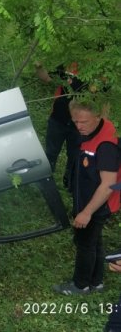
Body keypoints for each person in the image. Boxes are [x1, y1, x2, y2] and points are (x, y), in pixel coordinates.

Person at [53, 99, 119, 295]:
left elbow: (108, 185)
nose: (79, 127)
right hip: (92, 200)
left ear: (98, 117)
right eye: (75, 121)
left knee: (84, 244)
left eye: (84, 122)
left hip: (97, 203)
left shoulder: (106, 145)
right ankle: (96, 282)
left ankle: (80, 286)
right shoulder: (97, 129)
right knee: (94, 241)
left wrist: (86, 212)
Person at [34, 61, 87, 187]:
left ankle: (69, 185)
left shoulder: (100, 73)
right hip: (58, 119)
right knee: (51, 153)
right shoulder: (68, 65)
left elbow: (104, 101)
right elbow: (47, 78)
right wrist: (38, 66)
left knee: (74, 157)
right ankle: (45, 182)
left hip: (80, 125)